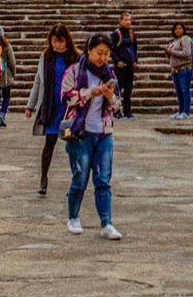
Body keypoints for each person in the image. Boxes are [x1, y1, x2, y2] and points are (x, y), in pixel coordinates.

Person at [61, 31, 122, 238]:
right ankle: (73, 216)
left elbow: (117, 108)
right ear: (89, 50)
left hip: (103, 132)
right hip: (80, 133)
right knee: (80, 176)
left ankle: (106, 223)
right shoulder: (75, 71)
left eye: (106, 54)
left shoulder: (110, 76)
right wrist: (89, 93)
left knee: (103, 179)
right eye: (99, 53)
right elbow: (66, 97)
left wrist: (110, 97)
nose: (102, 58)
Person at [25, 21, 75, 196]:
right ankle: (43, 178)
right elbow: (38, 81)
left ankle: (76, 180)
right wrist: (30, 105)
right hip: (51, 108)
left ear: (67, 41)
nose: (57, 45)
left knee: (72, 144)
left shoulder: (75, 58)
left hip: (68, 110)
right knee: (49, 143)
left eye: (60, 41)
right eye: (54, 41)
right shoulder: (45, 57)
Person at [167, 21, 193, 116]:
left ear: (183, 29)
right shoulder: (174, 41)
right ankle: (180, 111)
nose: (178, 30)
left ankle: (186, 111)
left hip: (184, 69)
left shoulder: (185, 39)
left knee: (185, 91)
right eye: (176, 28)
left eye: (180, 28)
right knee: (179, 92)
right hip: (175, 70)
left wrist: (172, 51)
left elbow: (186, 53)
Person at [112, 13, 138, 119]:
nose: (128, 22)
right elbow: (112, 49)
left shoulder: (132, 33)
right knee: (118, 89)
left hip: (130, 66)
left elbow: (135, 48)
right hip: (120, 66)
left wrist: (135, 59)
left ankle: (127, 110)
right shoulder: (116, 34)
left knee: (128, 89)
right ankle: (116, 110)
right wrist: (117, 61)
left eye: (129, 20)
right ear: (121, 21)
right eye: (126, 20)